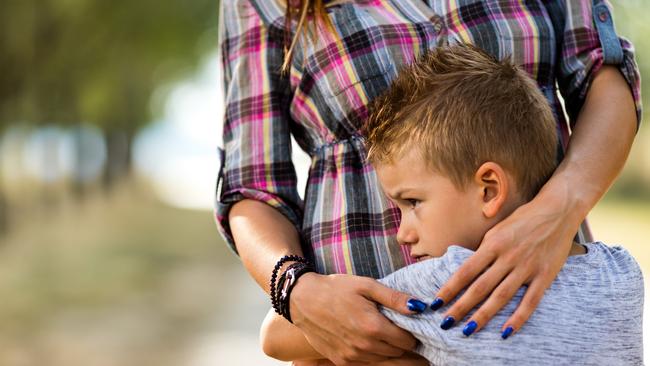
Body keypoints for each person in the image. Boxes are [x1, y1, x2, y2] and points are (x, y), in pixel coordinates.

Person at [216, 0, 642, 364]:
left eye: (412, 202)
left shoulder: (439, 285)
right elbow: (253, 186)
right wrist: (299, 291)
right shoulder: (620, 271)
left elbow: (603, 73)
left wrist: (559, 208)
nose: (405, 228)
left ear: (490, 187)